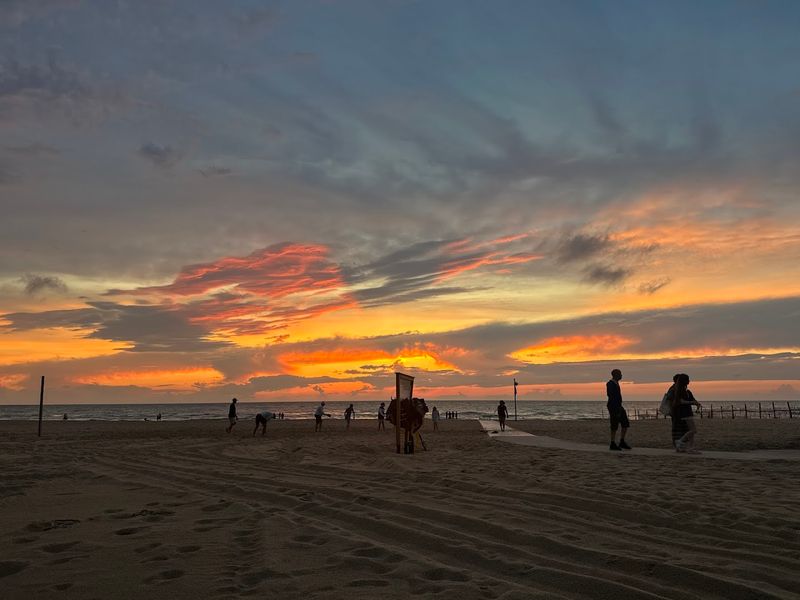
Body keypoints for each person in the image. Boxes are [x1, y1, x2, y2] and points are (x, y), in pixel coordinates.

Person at [671, 373, 702, 453]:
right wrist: (692, 402)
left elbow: (692, 400)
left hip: (688, 412)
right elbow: (681, 401)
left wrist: (696, 403)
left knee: (691, 430)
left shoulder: (687, 391)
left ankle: (691, 447)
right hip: (684, 413)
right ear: (684, 381)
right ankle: (680, 441)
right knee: (693, 430)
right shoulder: (679, 391)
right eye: (687, 379)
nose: (689, 381)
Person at [606, 369, 631, 451]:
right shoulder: (610, 384)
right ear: (616, 375)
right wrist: (616, 408)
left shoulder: (616, 383)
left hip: (619, 406)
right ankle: (612, 443)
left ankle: (622, 441)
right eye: (620, 374)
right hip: (613, 406)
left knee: (625, 423)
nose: (621, 375)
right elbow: (611, 395)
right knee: (614, 424)